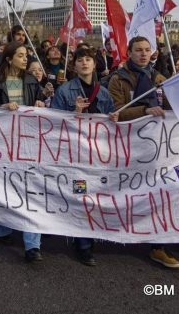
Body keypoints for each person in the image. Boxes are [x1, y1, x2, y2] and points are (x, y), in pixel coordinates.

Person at [108, 36, 179, 268]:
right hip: (130, 146)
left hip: (160, 145)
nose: (143, 54)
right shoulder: (118, 80)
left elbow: (172, 107)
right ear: (129, 53)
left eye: (146, 50)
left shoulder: (159, 79)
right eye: (138, 50)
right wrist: (145, 110)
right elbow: (116, 112)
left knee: (161, 191)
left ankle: (158, 246)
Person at [0, 41, 46, 263]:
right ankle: (3, 227)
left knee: (31, 189)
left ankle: (32, 245)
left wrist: (41, 103)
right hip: (5, 144)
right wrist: (1, 109)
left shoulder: (31, 81)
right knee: (6, 186)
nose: (25, 58)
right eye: (20, 55)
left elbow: (42, 106)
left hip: (29, 143)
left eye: (26, 55)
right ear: (9, 59)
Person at [52, 47, 115, 266]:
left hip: (98, 156)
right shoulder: (64, 91)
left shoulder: (104, 93)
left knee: (96, 196)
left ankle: (90, 235)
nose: (85, 63)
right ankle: (84, 244)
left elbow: (112, 126)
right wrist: (75, 114)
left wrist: (115, 117)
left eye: (88, 60)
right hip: (76, 156)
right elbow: (55, 123)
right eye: (80, 60)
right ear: (74, 65)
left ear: (94, 64)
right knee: (82, 195)